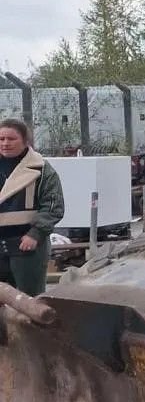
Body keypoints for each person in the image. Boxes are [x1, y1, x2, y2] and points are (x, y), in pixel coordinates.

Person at [0, 118, 65, 297]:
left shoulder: (42, 170)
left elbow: (53, 206)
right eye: (1, 139)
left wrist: (35, 234)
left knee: (29, 299)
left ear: (25, 140)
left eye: (11, 139)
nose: (5, 143)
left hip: (26, 246)